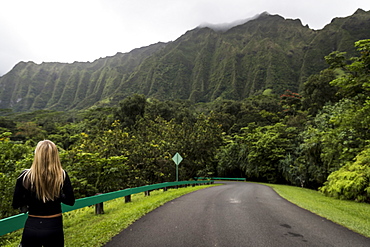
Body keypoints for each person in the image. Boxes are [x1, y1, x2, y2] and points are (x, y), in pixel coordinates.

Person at [12, 140, 75, 247]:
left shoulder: (25, 176)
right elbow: (70, 201)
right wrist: (55, 193)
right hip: (54, 225)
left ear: (37, 155)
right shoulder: (62, 175)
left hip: (33, 225)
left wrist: (30, 198)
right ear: (55, 155)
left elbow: (15, 203)